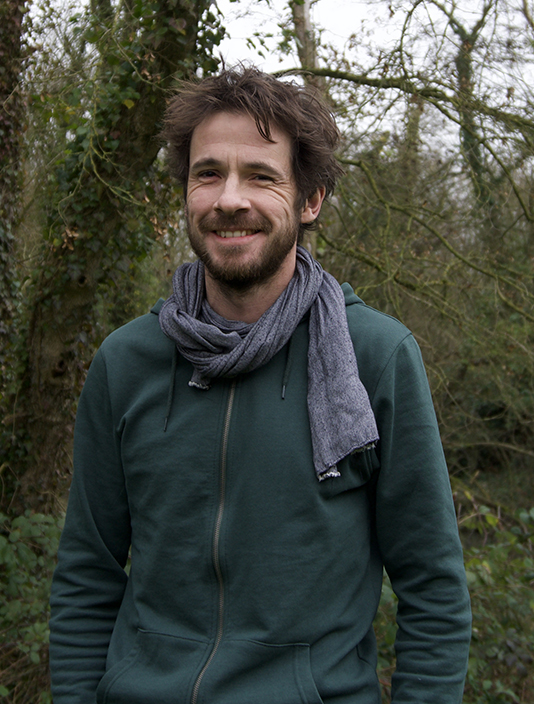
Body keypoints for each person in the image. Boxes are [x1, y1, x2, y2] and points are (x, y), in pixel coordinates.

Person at [48, 66, 471, 704]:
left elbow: (433, 588)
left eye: (262, 176)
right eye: (208, 173)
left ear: (310, 200)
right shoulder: (126, 362)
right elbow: (87, 573)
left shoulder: (376, 358)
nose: (229, 199)